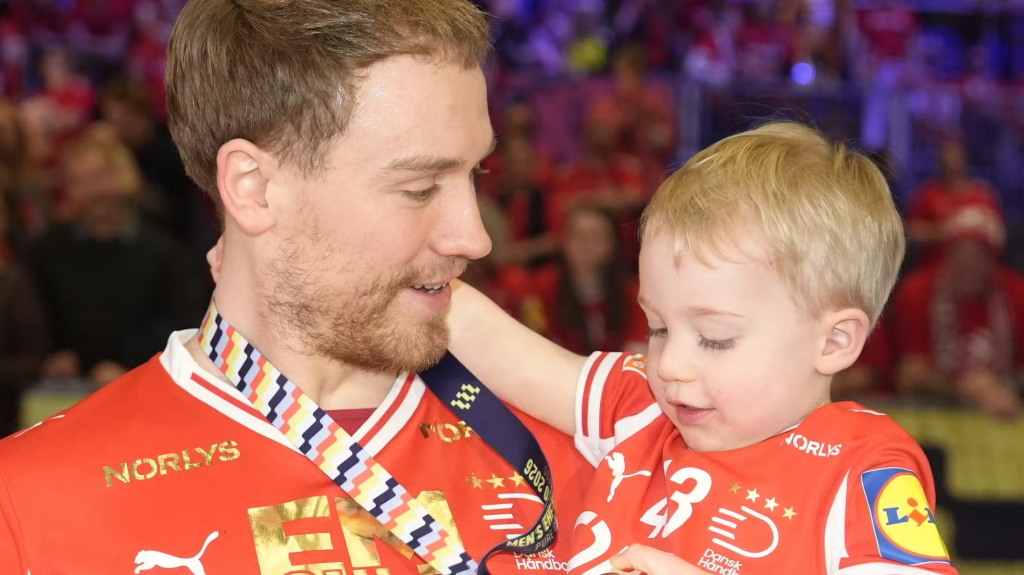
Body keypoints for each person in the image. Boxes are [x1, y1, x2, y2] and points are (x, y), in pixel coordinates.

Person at [0, 1, 587, 573]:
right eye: (418, 188)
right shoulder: (30, 506)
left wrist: (573, 387)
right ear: (253, 188)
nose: (474, 238)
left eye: (475, 172)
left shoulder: (583, 442)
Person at [447, 123, 958, 574]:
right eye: (658, 328)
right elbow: (482, 336)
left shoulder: (860, 466)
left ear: (834, 341)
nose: (670, 365)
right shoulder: (640, 407)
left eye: (715, 338)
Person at [28, 127, 201, 388]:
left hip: (145, 384)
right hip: (67, 391)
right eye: (79, 181)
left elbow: (183, 327)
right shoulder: (48, 251)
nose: (93, 191)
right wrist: (54, 357)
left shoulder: (163, 251)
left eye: (99, 176)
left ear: (123, 176)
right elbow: (37, 321)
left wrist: (130, 365)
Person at [892, 206, 1024, 420]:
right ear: (946, 256)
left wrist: (1001, 384)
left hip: (1008, 414)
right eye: (960, 254)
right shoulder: (917, 292)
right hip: (934, 419)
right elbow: (910, 374)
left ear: (994, 259)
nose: (969, 265)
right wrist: (968, 387)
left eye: (979, 255)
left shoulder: (1017, 293)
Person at [529, 205, 648, 354]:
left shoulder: (634, 293)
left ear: (612, 244)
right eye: (578, 235)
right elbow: (532, 345)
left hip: (616, 367)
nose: (586, 244)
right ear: (563, 242)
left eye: (595, 236)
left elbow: (637, 353)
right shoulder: (540, 288)